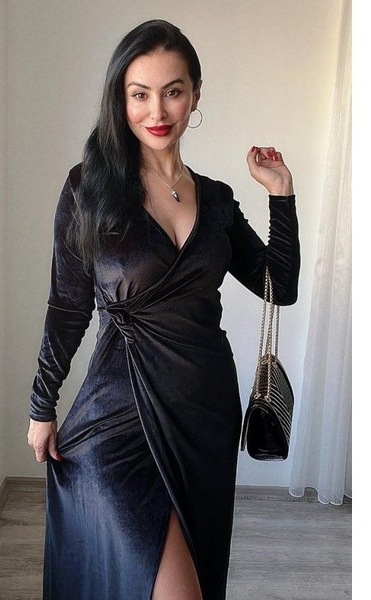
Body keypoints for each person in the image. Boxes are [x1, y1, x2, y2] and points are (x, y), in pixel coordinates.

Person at [27, 19, 300, 600]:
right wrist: (41, 404)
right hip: (117, 416)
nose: (157, 111)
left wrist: (281, 194)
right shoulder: (88, 188)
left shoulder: (218, 200)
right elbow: (68, 306)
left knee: (195, 569)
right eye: (140, 94)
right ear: (120, 98)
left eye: (173, 91)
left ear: (195, 94)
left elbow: (280, 285)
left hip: (204, 412)